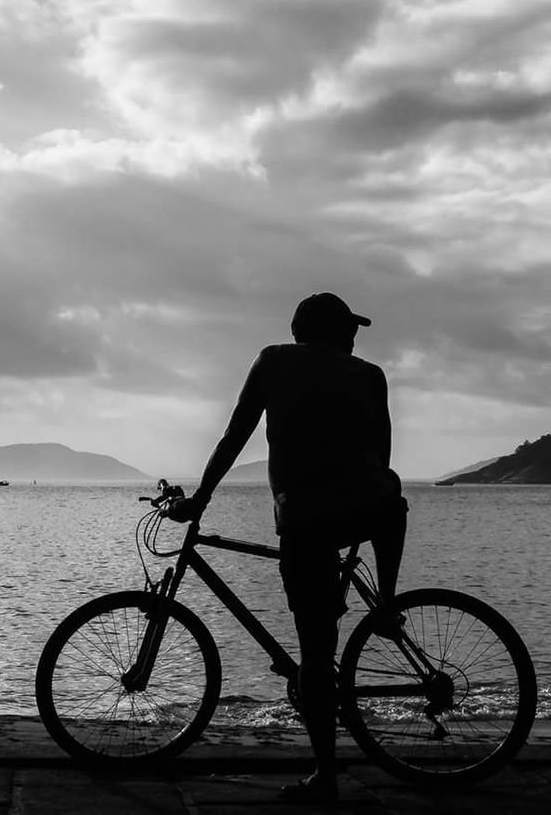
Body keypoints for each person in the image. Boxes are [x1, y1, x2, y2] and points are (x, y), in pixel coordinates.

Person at [167, 291, 407, 804]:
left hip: (308, 518)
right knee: (392, 493)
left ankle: (326, 777)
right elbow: (382, 454)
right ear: (336, 331)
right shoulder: (370, 375)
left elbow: (235, 435)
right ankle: (387, 601)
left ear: (299, 329)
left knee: (316, 658)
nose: (355, 337)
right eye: (351, 328)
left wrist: (201, 500)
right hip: (371, 509)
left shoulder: (273, 361)